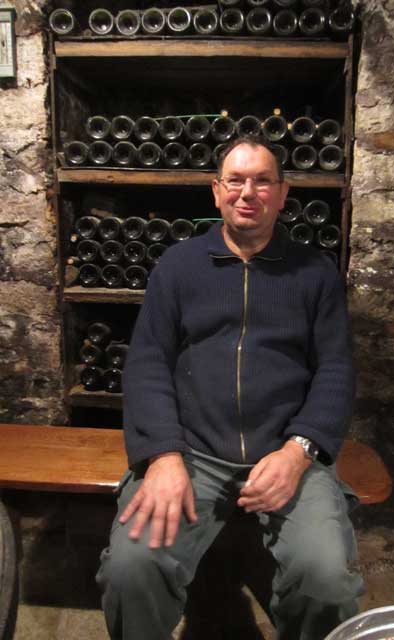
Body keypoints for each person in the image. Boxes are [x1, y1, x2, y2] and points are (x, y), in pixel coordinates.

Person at [96, 136, 364, 640]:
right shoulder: (178, 266)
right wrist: (163, 456)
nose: (248, 192)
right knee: (131, 571)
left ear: (282, 194)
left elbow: (335, 370)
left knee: (327, 581)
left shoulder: (315, 273)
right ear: (216, 191)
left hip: (285, 454)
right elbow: (148, 363)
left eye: (262, 181)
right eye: (235, 180)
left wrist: (299, 452)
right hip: (192, 454)